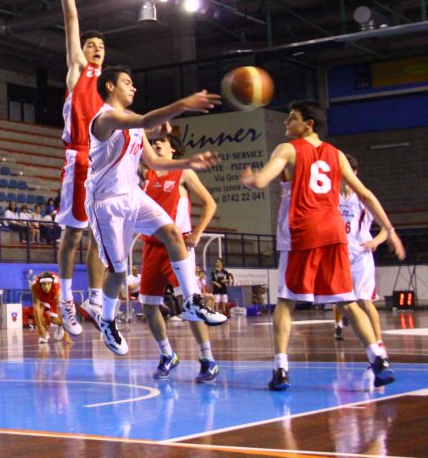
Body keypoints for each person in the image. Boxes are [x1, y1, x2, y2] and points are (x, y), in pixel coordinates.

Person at [240, 100, 405, 391]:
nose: (286, 123)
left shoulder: (287, 150)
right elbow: (365, 194)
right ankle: (378, 359)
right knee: (348, 301)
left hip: (301, 233)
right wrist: (389, 229)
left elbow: (262, 181)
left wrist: (251, 180)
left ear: (309, 124)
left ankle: (280, 369)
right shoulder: (337, 155)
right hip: (333, 233)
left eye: (292, 118)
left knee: (286, 301)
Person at [86, 66, 226, 356]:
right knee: (118, 270)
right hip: (106, 202)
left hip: (132, 195)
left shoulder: (133, 127)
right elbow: (150, 119)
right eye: (127, 82)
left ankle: (192, 301)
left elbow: (156, 163)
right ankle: (108, 321)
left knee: (173, 233)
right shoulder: (106, 117)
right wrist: (184, 105)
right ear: (110, 87)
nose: (133, 87)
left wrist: (190, 162)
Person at [50, 0, 110, 338]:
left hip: (101, 164)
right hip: (78, 159)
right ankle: (66, 297)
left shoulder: (108, 94)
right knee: (73, 234)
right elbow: (72, 19)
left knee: (101, 237)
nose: (96, 50)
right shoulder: (78, 71)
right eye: (92, 45)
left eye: (101, 47)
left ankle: (96, 298)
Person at [138, 134, 221, 382]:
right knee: (148, 305)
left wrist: (197, 232)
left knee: (190, 303)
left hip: (178, 246)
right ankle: (167, 354)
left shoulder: (184, 173)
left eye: (161, 141)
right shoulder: (148, 174)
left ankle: (208, 359)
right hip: (151, 245)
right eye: (153, 143)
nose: (156, 145)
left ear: (173, 148)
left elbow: (210, 203)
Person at [331, 154, 391, 354]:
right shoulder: (330, 197)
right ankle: (340, 324)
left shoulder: (364, 197)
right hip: (338, 255)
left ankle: (379, 346)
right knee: (341, 301)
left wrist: (375, 241)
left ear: (354, 173)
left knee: (365, 301)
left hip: (359, 256)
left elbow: (386, 228)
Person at [31, 272, 70, 344]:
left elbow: (61, 311)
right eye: (44, 284)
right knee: (38, 314)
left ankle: (60, 326)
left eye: (48, 284)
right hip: (42, 297)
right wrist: (40, 329)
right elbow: (36, 306)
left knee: (53, 320)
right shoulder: (34, 286)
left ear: (52, 284)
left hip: (53, 297)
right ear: (40, 284)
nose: (46, 287)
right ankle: (44, 333)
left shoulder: (57, 290)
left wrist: (66, 334)